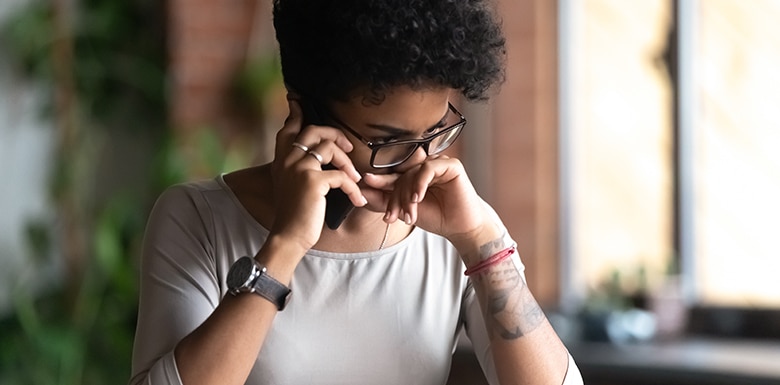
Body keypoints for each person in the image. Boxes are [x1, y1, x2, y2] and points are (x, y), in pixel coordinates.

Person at [130, 0, 583, 384]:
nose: (419, 160)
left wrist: (483, 240)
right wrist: (286, 246)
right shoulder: (197, 219)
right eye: (389, 142)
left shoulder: (454, 232)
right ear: (303, 110)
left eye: (436, 131)